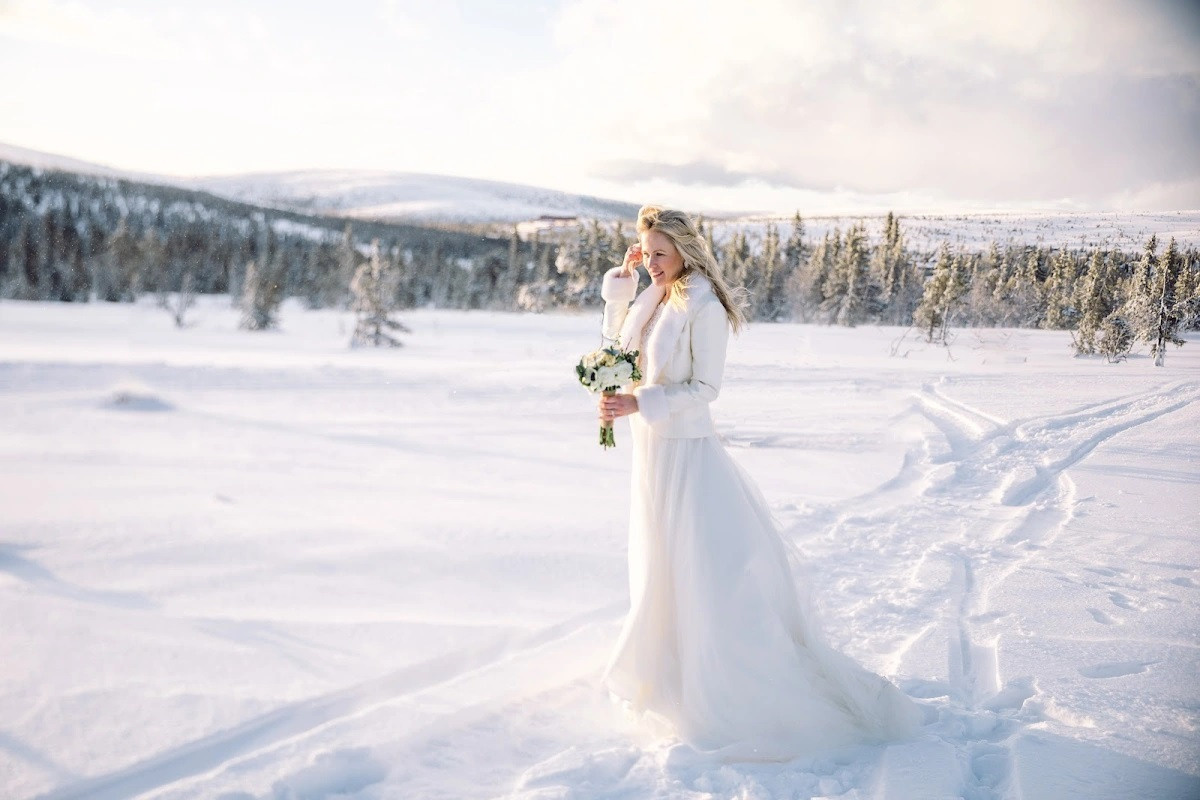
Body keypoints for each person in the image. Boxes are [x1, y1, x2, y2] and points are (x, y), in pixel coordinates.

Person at [596, 205, 922, 761]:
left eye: (660, 254)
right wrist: (620, 294)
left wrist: (639, 402)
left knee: (702, 570)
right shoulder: (654, 295)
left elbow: (705, 389)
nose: (651, 262)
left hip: (688, 456)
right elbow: (619, 354)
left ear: (685, 252)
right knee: (659, 565)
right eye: (645, 252)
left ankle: (720, 683)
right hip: (651, 453)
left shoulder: (704, 306)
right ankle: (662, 667)